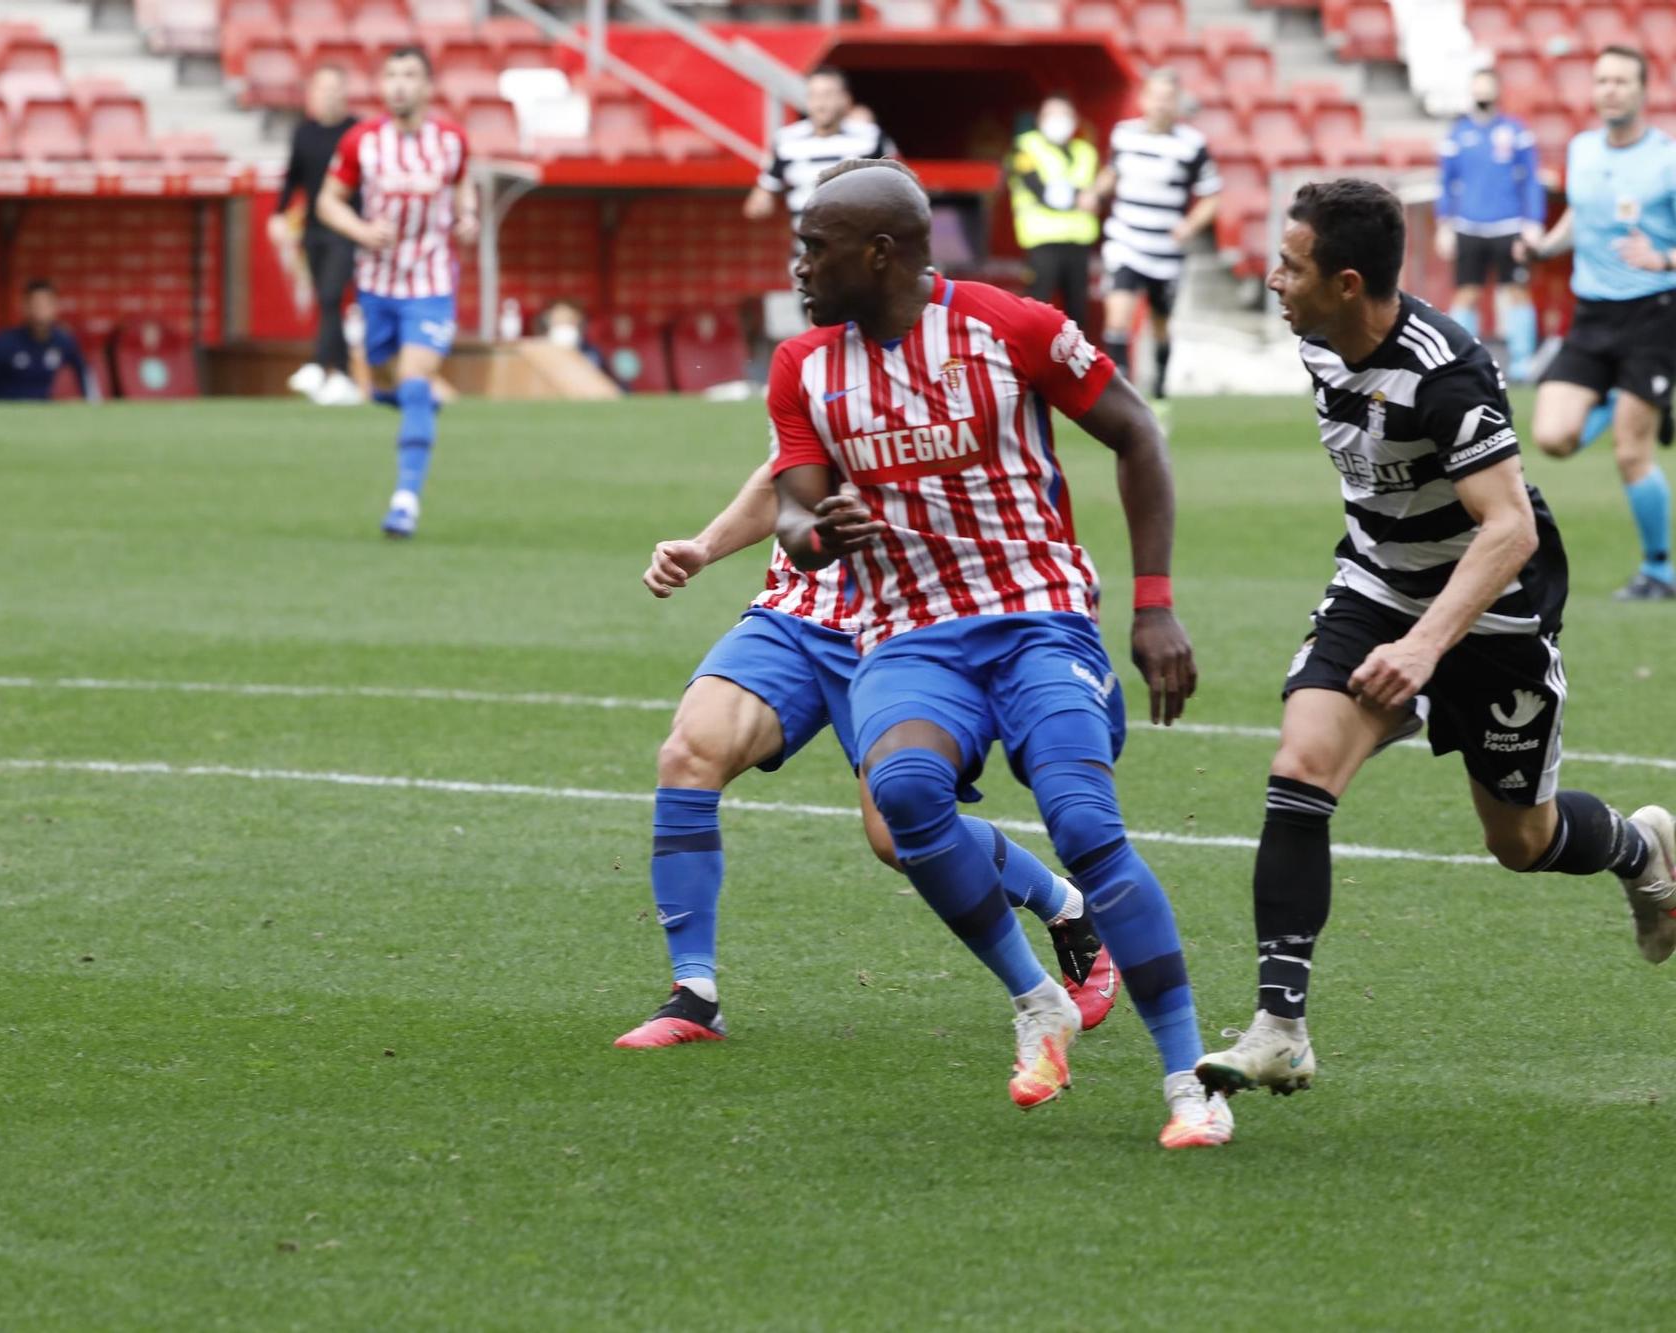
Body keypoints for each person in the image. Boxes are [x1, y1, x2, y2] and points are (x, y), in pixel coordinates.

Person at [769, 158, 1229, 1149]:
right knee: (902, 797)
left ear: (877, 252)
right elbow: (795, 512)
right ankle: (1036, 997)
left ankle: (1189, 1078)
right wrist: (818, 532)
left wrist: (1152, 607)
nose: (796, 263)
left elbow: (1135, 434)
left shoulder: (1008, 325)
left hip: (1036, 618)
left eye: (813, 246)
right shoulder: (801, 364)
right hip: (906, 634)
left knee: (1079, 820)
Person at [1196, 179, 1675, 1101]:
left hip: (1492, 609)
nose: (1271, 279)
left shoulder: (1444, 369)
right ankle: (1279, 1027)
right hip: (1377, 585)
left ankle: (1640, 849)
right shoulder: (1320, 339)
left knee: (1521, 839)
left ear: (1345, 281)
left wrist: (1424, 650)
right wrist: (1399, 627)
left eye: (1289, 267)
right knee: (1301, 768)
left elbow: (1510, 530)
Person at [613, 464, 1116, 1050]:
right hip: (794, 616)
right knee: (688, 754)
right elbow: (781, 477)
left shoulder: (955, 383)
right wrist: (704, 546)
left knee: (900, 838)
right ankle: (694, 995)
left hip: (904, 630)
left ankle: (1066, 906)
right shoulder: (808, 373)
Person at [1519, 46, 1676, 602]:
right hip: (1591, 314)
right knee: (1553, 438)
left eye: (1620, 81)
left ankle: (1659, 570)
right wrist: (1544, 245)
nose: (1609, 89)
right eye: (1602, 80)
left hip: (1653, 314)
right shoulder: (1583, 150)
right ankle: (1621, 399)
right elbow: (1580, 216)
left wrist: (1666, 259)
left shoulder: (1666, 159)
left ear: (1642, 90)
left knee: (1631, 451)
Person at [316, 45, 478, 539]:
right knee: (383, 379)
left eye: (410, 75)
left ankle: (405, 500)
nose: (400, 85)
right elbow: (327, 201)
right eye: (392, 76)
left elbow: (462, 184)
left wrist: (468, 216)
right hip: (377, 282)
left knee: (413, 381)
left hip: (429, 281)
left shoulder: (450, 140)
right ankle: (414, 405)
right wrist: (362, 231)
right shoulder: (361, 141)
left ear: (428, 86)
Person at [1091, 68, 1220, 403]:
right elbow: (1113, 172)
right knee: (1117, 316)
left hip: (1165, 249)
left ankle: (1160, 390)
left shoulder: (1192, 145)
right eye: (1155, 97)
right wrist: (1095, 193)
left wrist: (1190, 225)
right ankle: (1122, 396)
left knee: (1160, 323)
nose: (1161, 105)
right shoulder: (1124, 135)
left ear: (1177, 103)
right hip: (1126, 240)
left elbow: (1211, 196)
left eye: (1168, 98)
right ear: (1143, 99)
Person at [1435, 67, 1544, 381]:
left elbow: (1531, 180)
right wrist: (1445, 223)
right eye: (1477, 90)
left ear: (1497, 93)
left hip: (1508, 225)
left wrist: (1532, 222)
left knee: (1516, 291)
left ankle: (1523, 363)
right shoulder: (1457, 134)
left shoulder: (1516, 131)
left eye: (1487, 90)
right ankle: (1460, 359)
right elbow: (1446, 182)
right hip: (1469, 225)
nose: (1483, 96)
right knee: (1466, 293)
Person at [273, 65, 363, 408]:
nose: (329, 95)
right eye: (322, 89)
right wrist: (279, 213)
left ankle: (316, 365)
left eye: (334, 88)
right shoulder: (304, 133)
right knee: (326, 302)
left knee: (330, 295)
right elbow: (292, 176)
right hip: (313, 229)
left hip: (346, 227)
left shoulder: (356, 132)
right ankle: (342, 376)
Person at [743, 66, 897, 233]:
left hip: (856, 251)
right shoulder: (787, 141)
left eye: (828, 95)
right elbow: (764, 193)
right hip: (806, 251)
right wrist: (760, 202)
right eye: (814, 95)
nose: (820, 103)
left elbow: (897, 188)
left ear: (845, 99)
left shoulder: (869, 137)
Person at [1009, 94, 1100, 328]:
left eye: (1064, 115)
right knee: (1036, 308)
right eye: (1052, 114)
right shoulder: (1025, 147)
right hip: (1042, 241)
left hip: (1079, 242)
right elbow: (1043, 192)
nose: (1059, 120)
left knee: (1078, 310)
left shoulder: (1086, 151)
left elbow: (1095, 192)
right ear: (1040, 119)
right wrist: (1081, 197)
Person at [0, 279, 99, 404]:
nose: (40, 310)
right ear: (25, 307)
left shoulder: (63, 341)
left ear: (55, 307)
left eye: (45, 304)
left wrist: (93, 404)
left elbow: (85, 373)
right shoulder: (3, 342)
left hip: (43, 412)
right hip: (7, 411)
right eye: (35, 304)